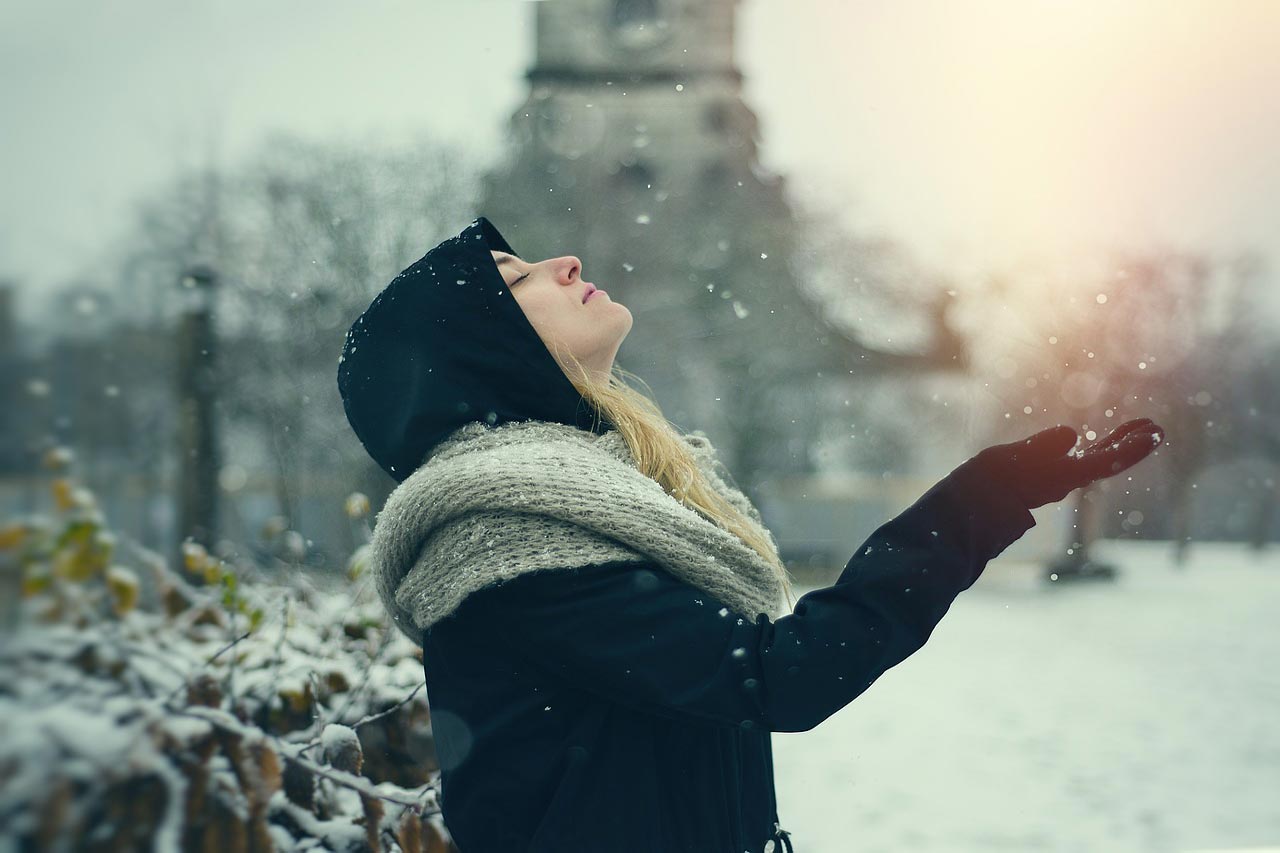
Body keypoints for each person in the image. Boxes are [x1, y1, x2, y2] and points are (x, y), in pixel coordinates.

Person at [336, 217, 1165, 853]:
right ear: (483, 351)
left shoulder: (601, 500)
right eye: (519, 281)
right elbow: (778, 676)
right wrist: (977, 500)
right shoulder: (505, 543)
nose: (566, 264)